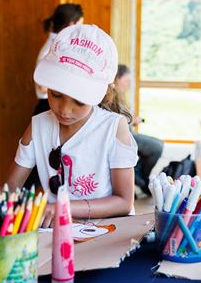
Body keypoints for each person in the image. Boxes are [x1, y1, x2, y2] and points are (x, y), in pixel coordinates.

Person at [7, 24, 138, 227]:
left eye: (79, 100)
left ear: (105, 93)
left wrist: (63, 207)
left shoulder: (113, 127)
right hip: (54, 232)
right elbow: (10, 189)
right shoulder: (39, 125)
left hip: (106, 233)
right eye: (56, 95)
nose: (65, 110)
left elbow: (124, 201)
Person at [113, 64, 164, 196]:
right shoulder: (112, 94)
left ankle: (139, 175)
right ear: (117, 78)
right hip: (122, 135)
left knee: (158, 144)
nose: (128, 85)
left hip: (128, 131)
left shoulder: (120, 95)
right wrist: (132, 120)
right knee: (156, 146)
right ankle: (140, 177)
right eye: (126, 81)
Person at [33, 3, 84, 116]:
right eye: (80, 25)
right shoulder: (52, 49)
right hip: (48, 107)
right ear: (72, 25)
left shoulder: (62, 46)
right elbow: (42, 86)